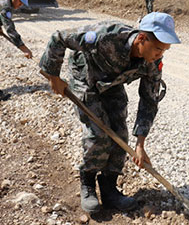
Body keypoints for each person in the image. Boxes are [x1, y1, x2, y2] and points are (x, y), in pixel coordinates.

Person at [40, 12, 180, 214]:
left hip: (111, 84)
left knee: (120, 134)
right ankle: (88, 185)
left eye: (165, 50)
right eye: (158, 49)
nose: (160, 54)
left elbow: (149, 100)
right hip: (85, 79)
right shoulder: (105, 35)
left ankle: (109, 189)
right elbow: (59, 37)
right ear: (141, 38)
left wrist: (140, 144)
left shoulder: (153, 64)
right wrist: (53, 76)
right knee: (98, 134)